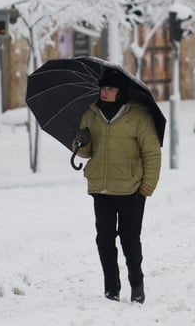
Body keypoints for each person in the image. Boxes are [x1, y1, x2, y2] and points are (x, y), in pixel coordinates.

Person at [72, 66, 161, 304]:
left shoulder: (139, 116)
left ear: (121, 91)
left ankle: (136, 284)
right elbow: (84, 151)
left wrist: (146, 188)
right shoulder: (90, 114)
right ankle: (111, 287)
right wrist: (80, 143)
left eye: (110, 88)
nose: (105, 92)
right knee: (104, 239)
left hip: (131, 188)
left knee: (129, 240)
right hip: (101, 187)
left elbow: (152, 153)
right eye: (103, 87)